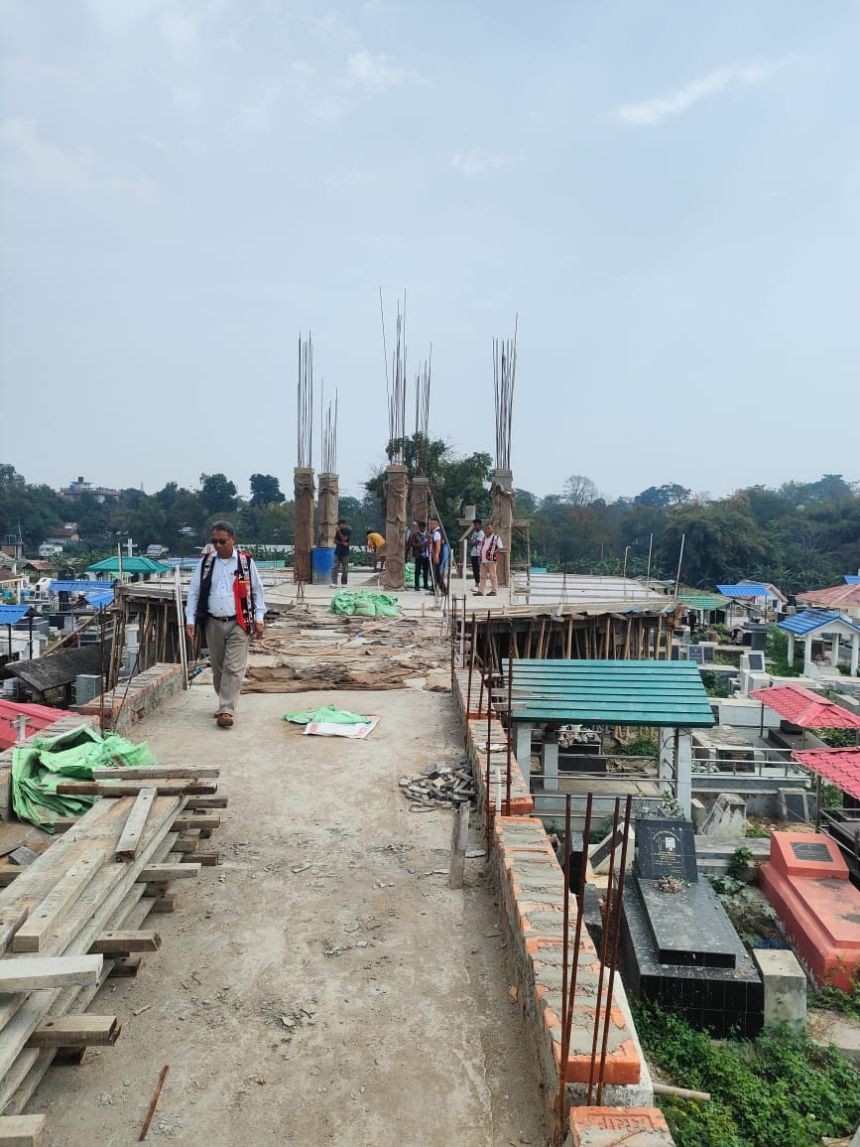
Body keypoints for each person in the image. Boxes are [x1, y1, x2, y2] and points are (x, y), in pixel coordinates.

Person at [185, 521, 266, 729]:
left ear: (232, 540)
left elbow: (257, 590)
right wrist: (190, 620)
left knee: (234, 667)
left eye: (222, 541)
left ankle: (226, 709)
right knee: (218, 668)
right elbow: (194, 592)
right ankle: (223, 702)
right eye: (215, 542)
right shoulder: (206, 563)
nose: (218, 545)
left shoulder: (245, 562)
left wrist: (259, 618)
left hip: (240, 621)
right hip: (213, 621)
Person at [474, 522, 503, 597]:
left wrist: (493, 552)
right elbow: (481, 548)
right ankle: (481, 591)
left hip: (491, 560)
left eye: (489, 528)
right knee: (482, 576)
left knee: (493, 576)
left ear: (492, 529)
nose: (487, 530)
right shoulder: (484, 538)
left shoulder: (496, 538)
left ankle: (494, 590)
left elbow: (500, 548)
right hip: (483, 560)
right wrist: (479, 557)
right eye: (486, 529)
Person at [407, 520, 431, 590]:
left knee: (426, 571)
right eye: (421, 527)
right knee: (417, 571)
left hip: (426, 556)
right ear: (419, 527)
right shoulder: (415, 535)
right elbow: (412, 544)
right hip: (418, 555)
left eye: (424, 527)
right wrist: (421, 545)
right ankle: (417, 586)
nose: (423, 529)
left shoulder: (428, 535)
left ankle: (425, 585)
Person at [429, 517, 449, 594]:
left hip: (436, 554)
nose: (431, 525)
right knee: (433, 573)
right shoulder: (436, 532)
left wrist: (436, 555)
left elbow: (438, 545)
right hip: (435, 554)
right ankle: (434, 588)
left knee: (436, 573)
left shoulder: (437, 533)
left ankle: (444, 589)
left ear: (436, 524)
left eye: (432, 523)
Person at [332, 518, 351, 586]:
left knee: (345, 568)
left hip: (345, 552)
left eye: (340, 525)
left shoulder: (348, 531)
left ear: (344, 524)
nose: (339, 526)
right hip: (337, 552)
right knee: (335, 567)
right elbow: (334, 541)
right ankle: (334, 582)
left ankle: (344, 583)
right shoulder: (338, 531)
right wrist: (342, 543)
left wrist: (339, 532)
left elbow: (344, 539)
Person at [467, 518, 485, 587]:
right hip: (473, 553)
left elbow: (476, 542)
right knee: (474, 569)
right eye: (474, 525)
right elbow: (470, 542)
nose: (475, 526)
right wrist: (472, 542)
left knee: (478, 568)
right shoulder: (474, 533)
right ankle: (476, 582)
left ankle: (479, 583)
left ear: (479, 525)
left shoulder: (481, 533)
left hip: (478, 553)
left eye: (476, 525)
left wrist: (472, 542)